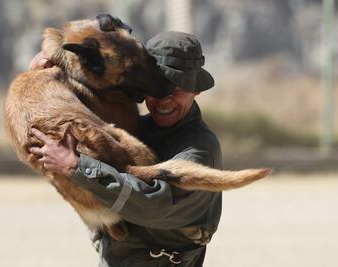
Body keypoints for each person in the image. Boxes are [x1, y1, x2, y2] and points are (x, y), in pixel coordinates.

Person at [29, 31, 222, 267]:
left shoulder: (200, 148)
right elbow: (86, 88)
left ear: (197, 91)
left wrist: (78, 167)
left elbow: (152, 204)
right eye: (157, 90)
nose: (163, 101)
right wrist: (41, 74)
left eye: (177, 92)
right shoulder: (136, 128)